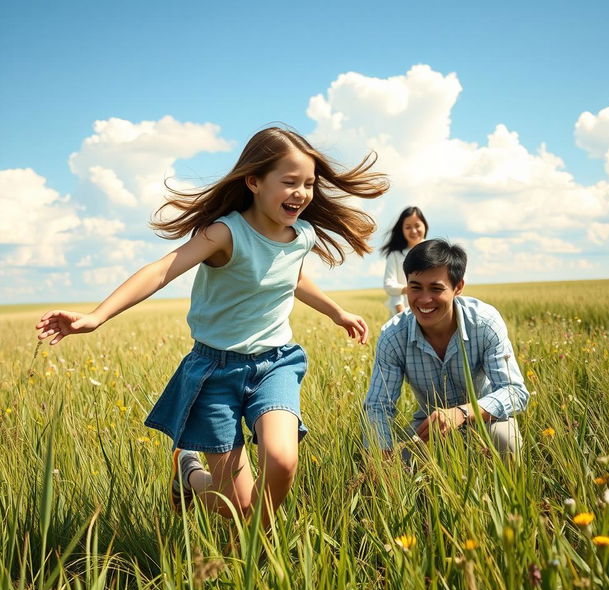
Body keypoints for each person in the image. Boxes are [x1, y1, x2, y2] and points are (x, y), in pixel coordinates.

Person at [36, 126, 389, 527]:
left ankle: (254, 548)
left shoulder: (301, 235)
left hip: (275, 364)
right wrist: (96, 316)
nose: (302, 193)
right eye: (290, 182)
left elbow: (291, 277)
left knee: (282, 461)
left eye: (309, 183)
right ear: (254, 181)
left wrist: (335, 311)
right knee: (232, 506)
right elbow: (161, 270)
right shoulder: (225, 232)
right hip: (215, 372)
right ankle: (191, 478)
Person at [364, 238, 529, 457]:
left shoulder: (484, 322)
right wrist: (382, 458)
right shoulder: (393, 335)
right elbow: (378, 406)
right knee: (401, 460)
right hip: (429, 427)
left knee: (506, 440)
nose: (424, 299)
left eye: (436, 288)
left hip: (486, 418)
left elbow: (515, 391)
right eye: (415, 288)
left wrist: (462, 413)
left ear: (458, 287)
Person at [381, 206, 428, 315]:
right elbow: (389, 285)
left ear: (424, 225)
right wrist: (410, 289)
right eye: (408, 227)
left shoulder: (434, 250)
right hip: (401, 314)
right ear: (401, 229)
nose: (413, 231)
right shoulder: (395, 255)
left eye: (417, 226)